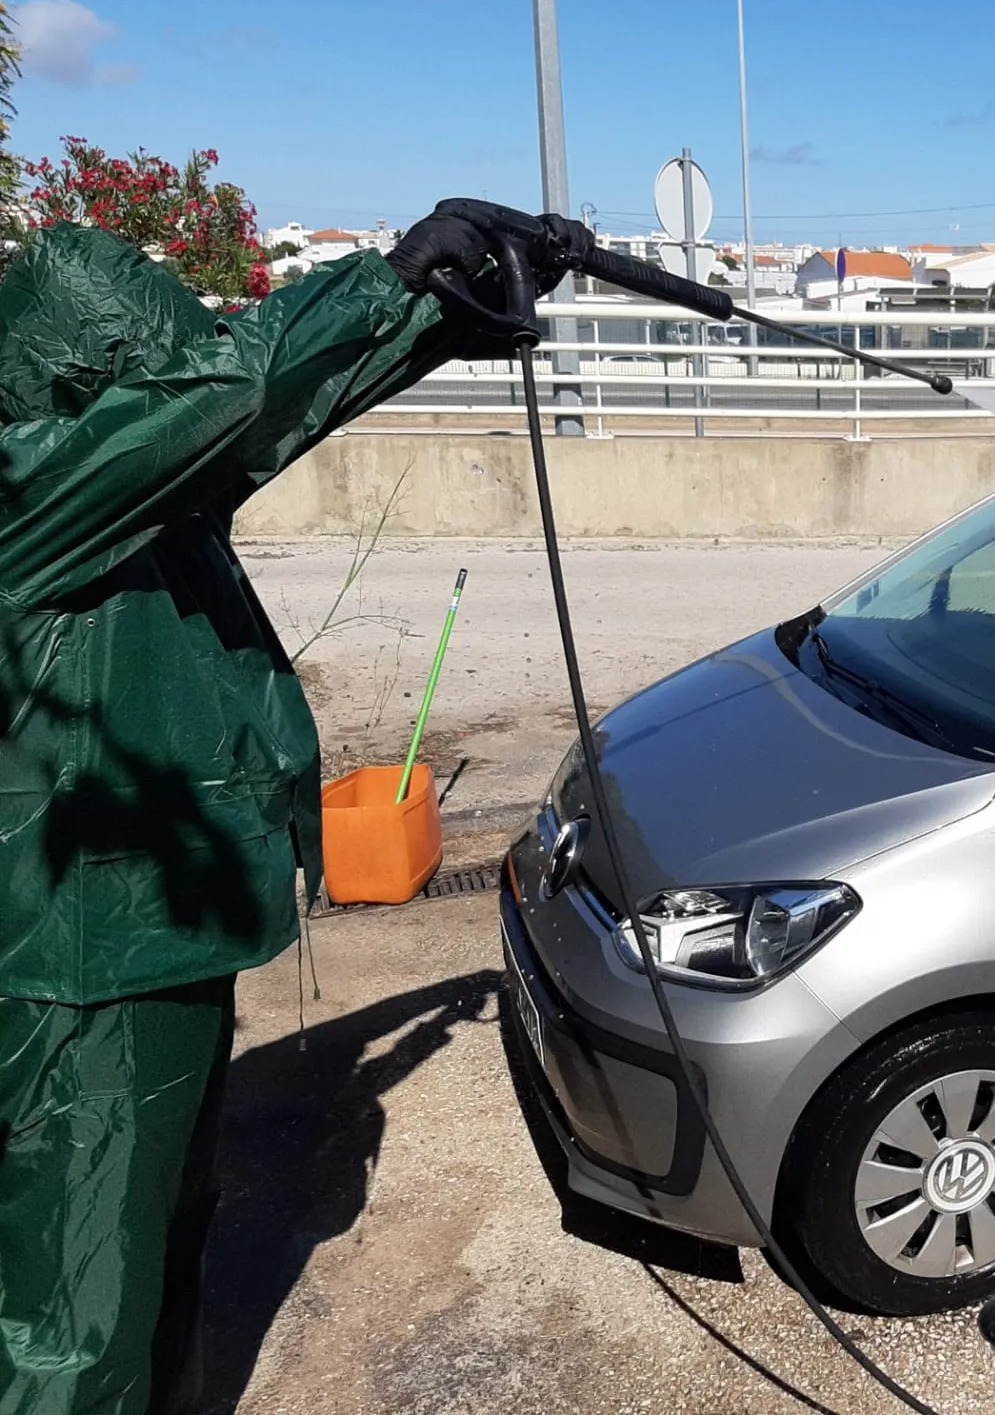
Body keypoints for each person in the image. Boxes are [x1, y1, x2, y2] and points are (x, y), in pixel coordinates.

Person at [0, 208, 572, 1414]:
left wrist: (437, 321)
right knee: (76, 1307)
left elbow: (262, 417)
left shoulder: (129, 492)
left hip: (152, 947)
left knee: (156, 1243)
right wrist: (391, 276)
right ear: (71, 376)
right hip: (75, 977)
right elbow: (225, 401)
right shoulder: (33, 492)